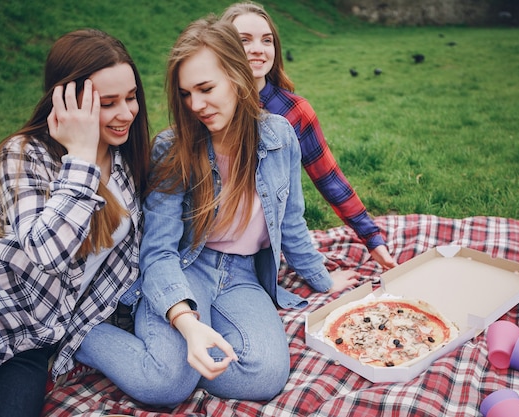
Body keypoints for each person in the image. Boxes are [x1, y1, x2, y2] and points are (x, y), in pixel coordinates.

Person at [74, 16, 358, 407]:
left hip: (243, 276)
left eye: (206, 89)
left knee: (264, 376)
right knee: (166, 386)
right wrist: (187, 323)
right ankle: (83, 337)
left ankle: (179, 362)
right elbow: (158, 251)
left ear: (238, 76)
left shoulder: (279, 137)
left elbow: (291, 223)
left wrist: (323, 280)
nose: (196, 106)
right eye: (186, 94)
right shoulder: (172, 149)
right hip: (186, 268)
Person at [0, 29, 151, 417]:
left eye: (131, 98)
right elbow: (46, 252)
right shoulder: (22, 155)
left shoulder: (127, 166)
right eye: (108, 102)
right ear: (67, 102)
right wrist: (81, 155)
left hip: (32, 341)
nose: (126, 113)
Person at [221, 2, 398, 270]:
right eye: (244, 40)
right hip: (211, 243)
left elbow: (330, 179)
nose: (258, 48)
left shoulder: (295, 111)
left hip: (266, 251)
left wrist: (373, 239)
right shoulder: (209, 107)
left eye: (266, 40)